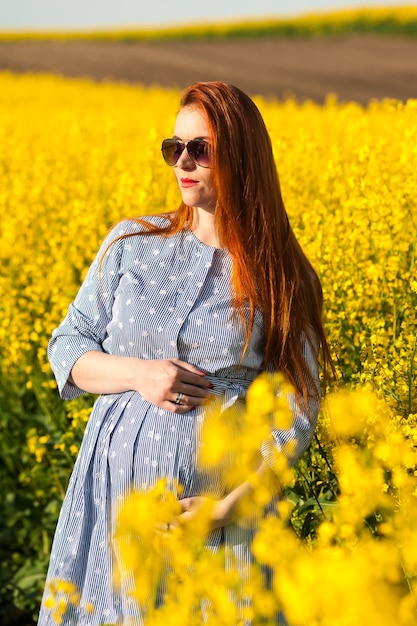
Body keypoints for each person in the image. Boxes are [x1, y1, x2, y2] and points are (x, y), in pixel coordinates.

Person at [37, 81, 332, 626]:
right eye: (175, 148)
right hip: (111, 507)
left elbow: (299, 410)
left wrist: (226, 508)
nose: (184, 162)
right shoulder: (131, 243)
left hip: (221, 528)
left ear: (242, 157)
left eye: (201, 148)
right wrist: (140, 374)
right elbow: (68, 345)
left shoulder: (282, 277)